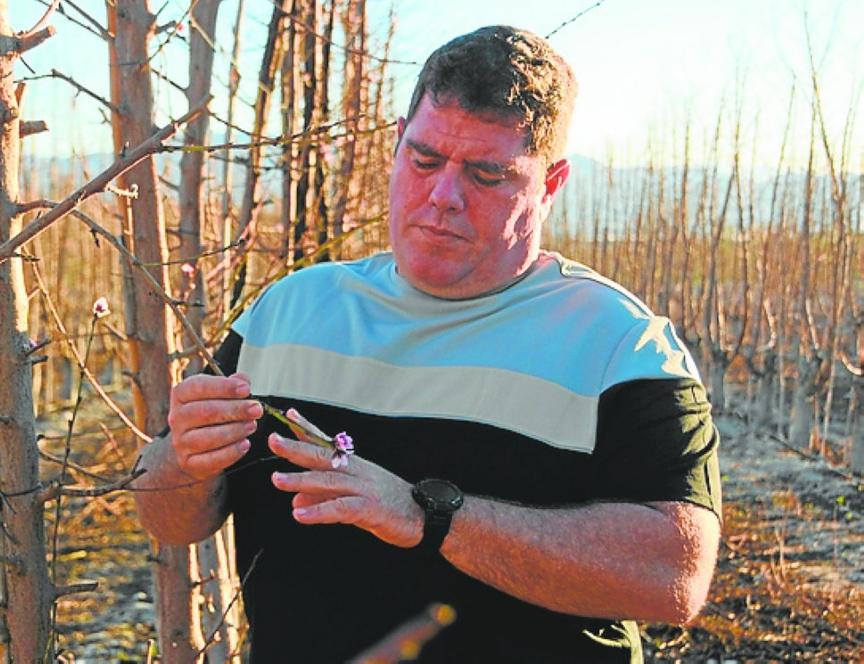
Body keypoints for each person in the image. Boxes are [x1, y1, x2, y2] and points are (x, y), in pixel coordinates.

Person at [134, 25, 721, 662]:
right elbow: (170, 519)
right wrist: (183, 462)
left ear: (550, 184)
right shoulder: (289, 310)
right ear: (395, 144)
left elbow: (675, 577)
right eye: (425, 159)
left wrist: (431, 517)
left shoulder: (617, 343)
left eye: (487, 174)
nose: (443, 196)